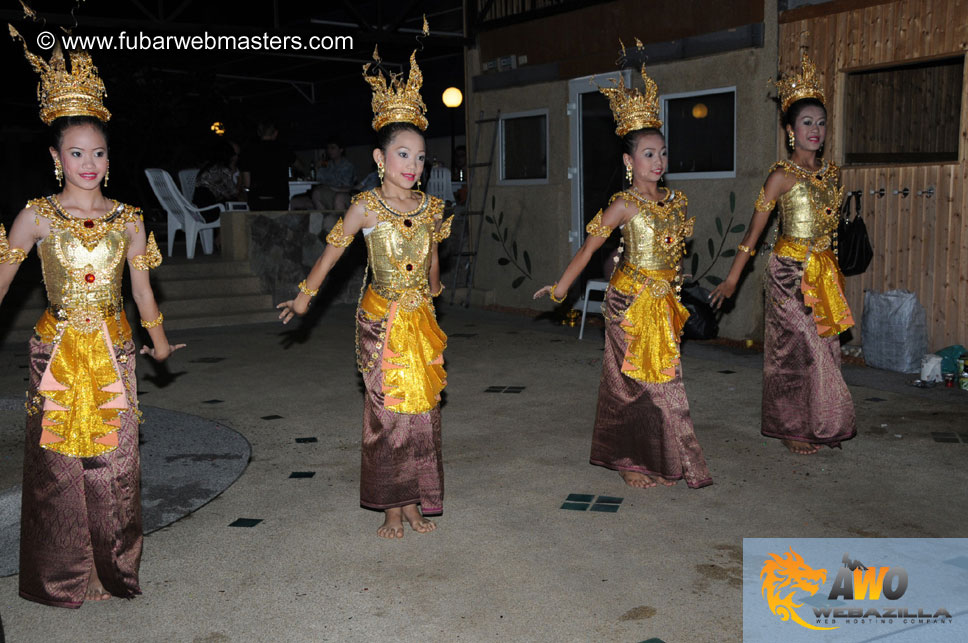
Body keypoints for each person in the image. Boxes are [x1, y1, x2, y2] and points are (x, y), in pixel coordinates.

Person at [3, 34, 183, 607]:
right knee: (57, 466)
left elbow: (142, 291)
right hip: (55, 350)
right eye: (77, 153)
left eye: (98, 153)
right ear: (56, 158)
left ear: (109, 158)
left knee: (114, 465)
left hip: (113, 348)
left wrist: (159, 343)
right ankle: (65, 574)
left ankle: (110, 570)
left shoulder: (129, 218)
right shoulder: (37, 216)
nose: (89, 164)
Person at [277, 48, 453, 537]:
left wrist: (434, 287)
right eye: (403, 154)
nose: (412, 165)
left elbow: (433, 267)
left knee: (422, 412)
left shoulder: (432, 208)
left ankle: (414, 499)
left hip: (420, 320)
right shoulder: (366, 206)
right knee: (388, 412)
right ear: (380, 158)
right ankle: (391, 506)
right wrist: (304, 298)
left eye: (420, 157)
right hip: (382, 321)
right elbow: (331, 255)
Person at [534, 55, 712, 489]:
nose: (658, 161)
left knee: (663, 380)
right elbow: (590, 248)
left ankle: (660, 457)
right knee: (631, 381)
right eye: (648, 154)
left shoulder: (676, 202)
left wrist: (677, 287)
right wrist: (560, 288)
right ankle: (628, 460)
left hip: (663, 301)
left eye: (662, 152)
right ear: (630, 160)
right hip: (628, 302)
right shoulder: (623, 203)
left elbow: (674, 254)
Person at [709, 53, 855, 454]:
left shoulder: (831, 175)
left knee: (825, 348)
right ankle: (792, 427)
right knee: (796, 350)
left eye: (821, 123)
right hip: (789, 273)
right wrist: (732, 279)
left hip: (823, 270)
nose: (815, 130)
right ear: (791, 130)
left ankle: (821, 422)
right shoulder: (780, 176)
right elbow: (752, 234)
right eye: (807, 123)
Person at [239, 121, 294, 210]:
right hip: (280, 199)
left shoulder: (248, 150)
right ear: (275, 133)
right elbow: (298, 164)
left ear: (259, 133)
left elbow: (247, 183)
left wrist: (246, 191)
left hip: (257, 199)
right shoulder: (283, 149)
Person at [194, 140, 242, 216]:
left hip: (198, 207)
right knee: (236, 203)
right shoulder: (223, 170)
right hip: (209, 209)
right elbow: (234, 192)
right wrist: (239, 179)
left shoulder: (208, 167)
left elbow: (222, 191)